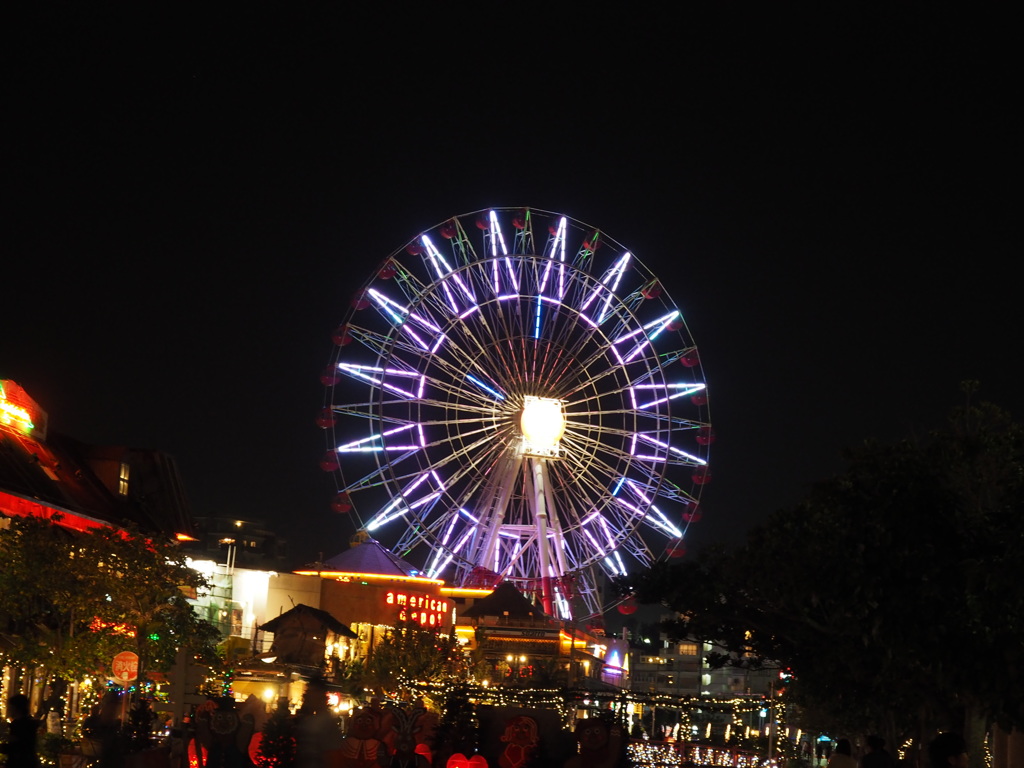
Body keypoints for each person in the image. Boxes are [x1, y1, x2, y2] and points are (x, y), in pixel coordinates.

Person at [1, 694, 41, 768]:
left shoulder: (18, 724)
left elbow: (16, 745)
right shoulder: (30, 722)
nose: (9, 709)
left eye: (10, 707)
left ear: (15, 708)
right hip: (30, 761)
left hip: (19, 762)